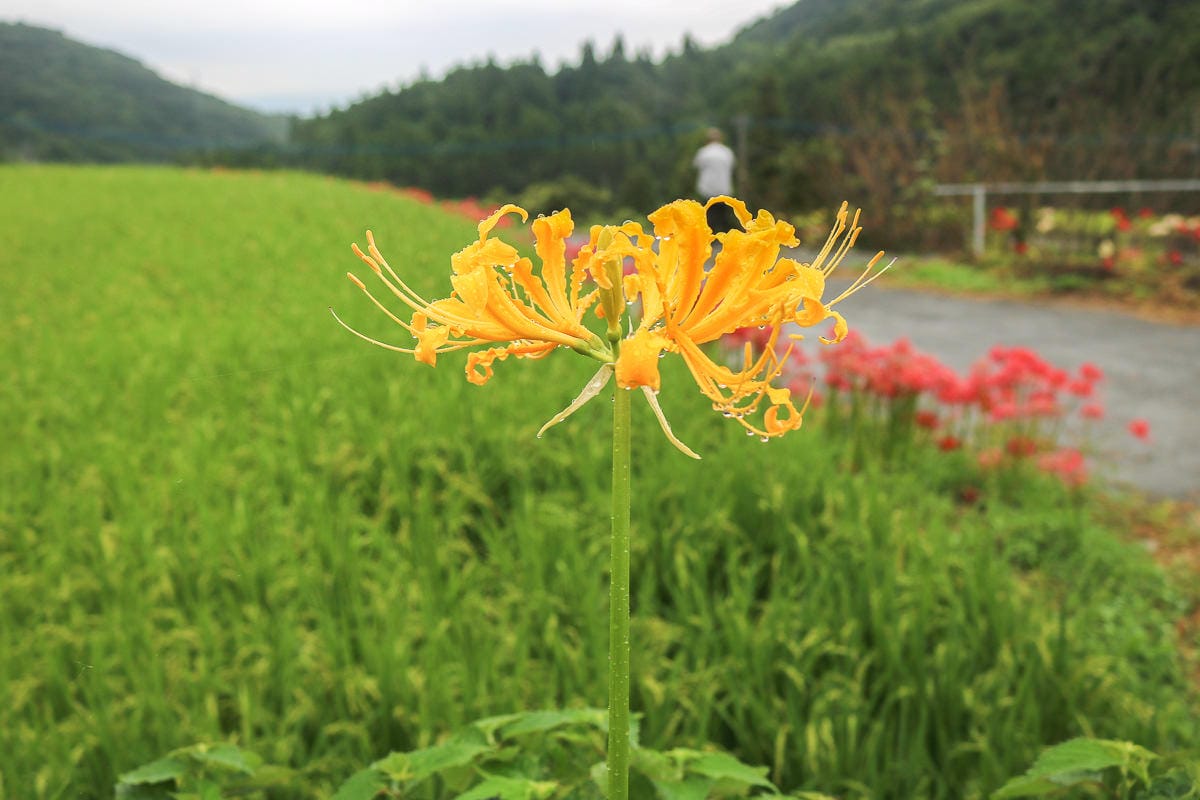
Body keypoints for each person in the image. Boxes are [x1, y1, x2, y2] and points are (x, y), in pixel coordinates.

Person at [693, 127, 737, 233]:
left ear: (707, 139)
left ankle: (708, 237)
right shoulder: (727, 152)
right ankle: (723, 237)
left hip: (707, 188)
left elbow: (696, 165)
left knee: (708, 214)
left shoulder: (704, 152)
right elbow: (733, 165)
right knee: (723, 215)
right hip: (724, 187)